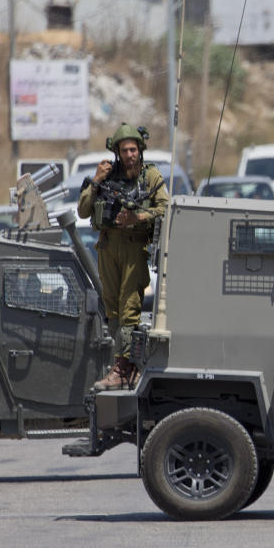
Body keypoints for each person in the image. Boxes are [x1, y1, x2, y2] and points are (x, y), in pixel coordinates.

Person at [78, 123, 169, 391]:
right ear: (117, 152)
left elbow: (165, 208)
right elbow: (83, 211)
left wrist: (136, 217)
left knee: (130, 308)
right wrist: (96, 181)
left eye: (133, 149)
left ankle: (124, 368)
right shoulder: (106, 175)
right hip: (107, 247)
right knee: (113, 310)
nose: (129, 155)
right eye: (124, 150)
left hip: (133, 248)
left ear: (140, 150)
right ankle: (123, 367)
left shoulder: (150, 176)